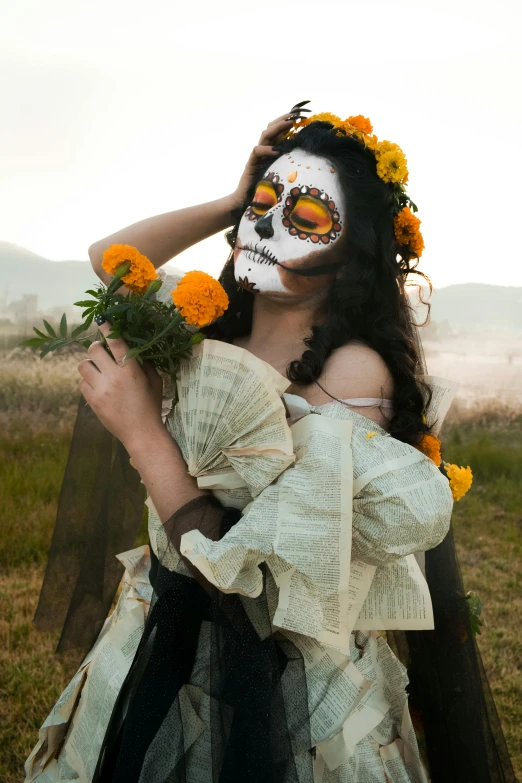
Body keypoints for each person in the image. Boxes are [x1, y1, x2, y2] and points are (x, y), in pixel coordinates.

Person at [24, 103, 515, 782]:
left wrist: (141, 432)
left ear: (353, 253)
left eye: (307, 216)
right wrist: (230, 199)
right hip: (167, 629)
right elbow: (109, 258)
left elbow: (256, 584)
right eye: (263, 202)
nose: (265, 224)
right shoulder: (214, 329)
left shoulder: (351, 372)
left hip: (280, 680)